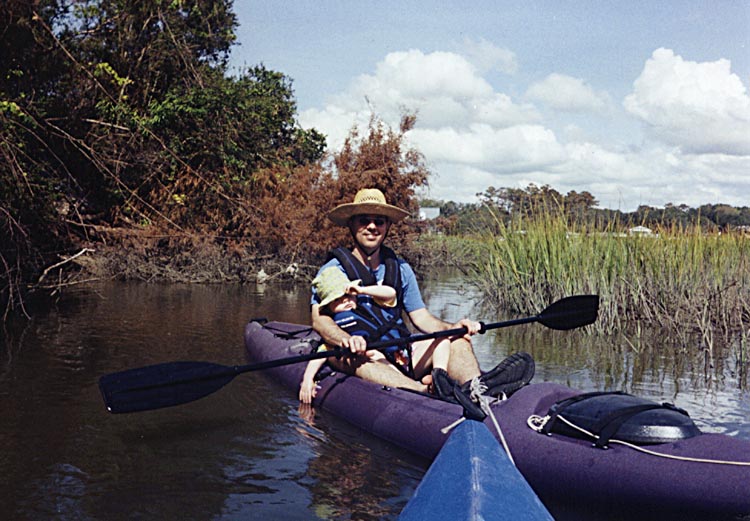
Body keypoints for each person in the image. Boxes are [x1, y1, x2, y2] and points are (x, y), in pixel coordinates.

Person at [310, 188, 534, 405]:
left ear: (387, 226)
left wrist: (453, 327)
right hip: (359, 354)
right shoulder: (332, 272)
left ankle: (478, 390)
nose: (372, 226)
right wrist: (345, 340)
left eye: (379, 221)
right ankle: (423, 391)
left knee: (457, 339)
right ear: (351, 224)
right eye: (364, 220)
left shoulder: (401, 269)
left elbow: (422, 319)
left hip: (400, 352)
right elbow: (319, 319)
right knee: (358, 358)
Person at [300, 266, 453, 404]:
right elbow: (322, 352)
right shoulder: (337, 327)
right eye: (337, 300)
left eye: (347, 295)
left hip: (406, 355)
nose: (345, 300)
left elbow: (391, 292)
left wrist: (361, 290)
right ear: (329, 307)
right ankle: (421, 389)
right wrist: (308, 379)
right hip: (385, 365)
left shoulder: (372, 302)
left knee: (442, 338)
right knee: (372, 353)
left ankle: (439, 375)